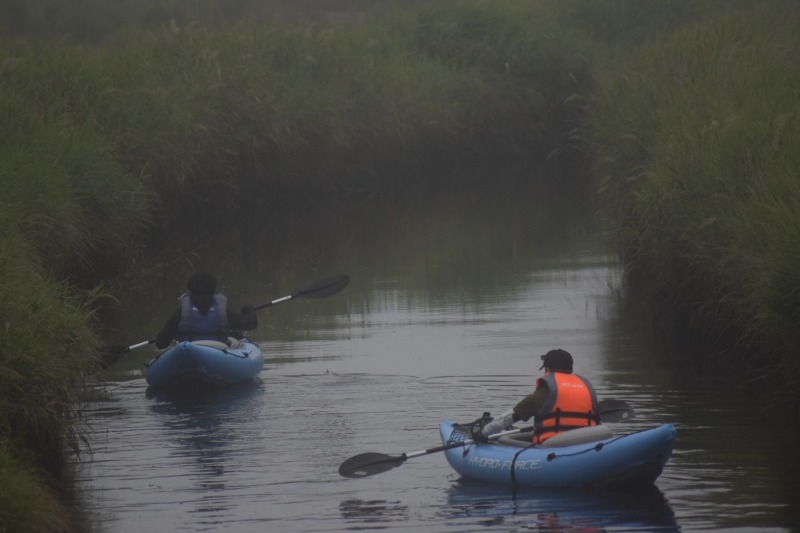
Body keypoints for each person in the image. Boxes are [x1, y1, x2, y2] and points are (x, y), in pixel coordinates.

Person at [480, 349, 600, 444]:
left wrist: (483, 432)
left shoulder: (545, 393)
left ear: (547, 369)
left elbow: (508, 419)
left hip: (553, 448)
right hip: (587, 444)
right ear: (571, 368)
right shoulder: (587, 389)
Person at [154, 272, 258, 349]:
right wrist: (248, 309)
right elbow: (251, 323)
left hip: (188, 349)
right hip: (219, 348)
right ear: (213, 289)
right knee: (237, 340)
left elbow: (161, 343)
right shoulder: (223, 311)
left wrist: (176, 333)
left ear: (190, 289)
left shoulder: (181, 312)